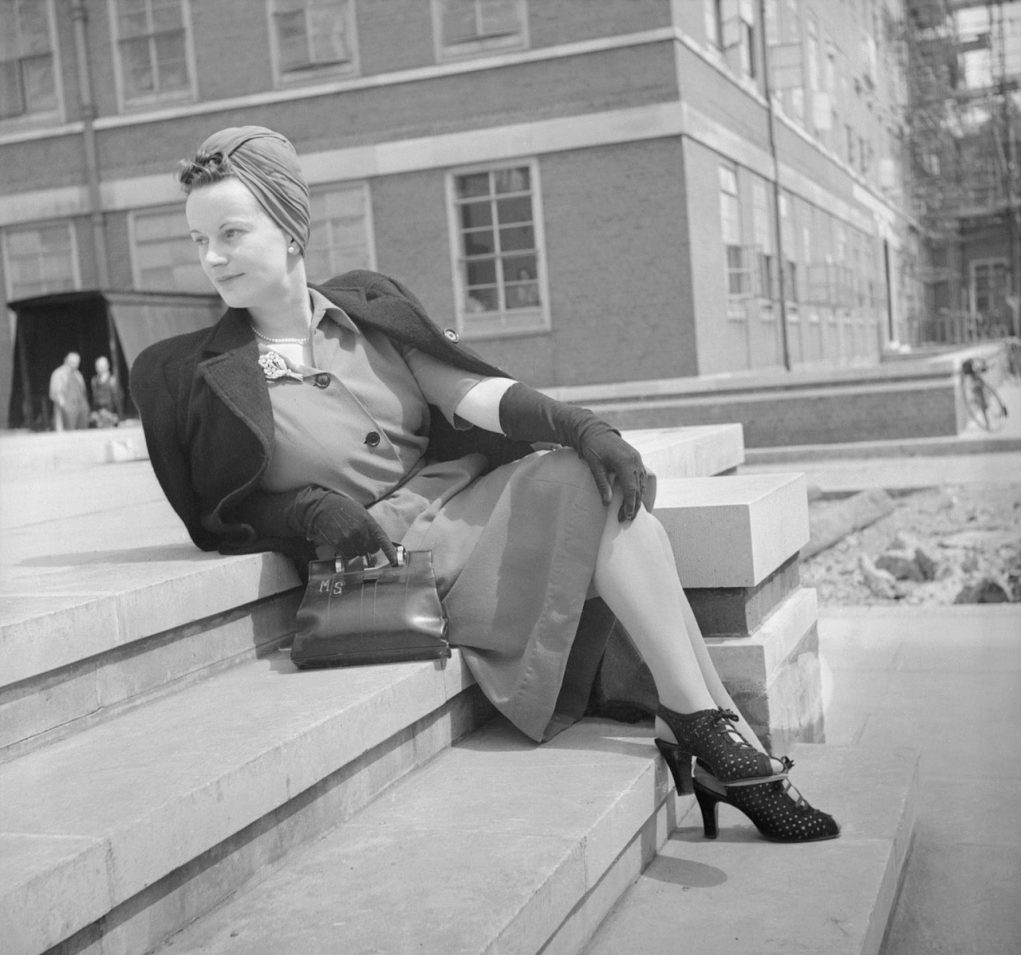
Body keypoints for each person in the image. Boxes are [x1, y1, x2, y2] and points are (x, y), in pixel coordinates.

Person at [132, 126, 838, 843]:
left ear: (288, 229)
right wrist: (305, 509)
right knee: (592, 496)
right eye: (198, 241)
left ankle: (699, 725)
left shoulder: (366, 311)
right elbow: (214, 511)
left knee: (595, 479)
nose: (212, 257)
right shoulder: (182, 371)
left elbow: (473, 393)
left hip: (459, 504)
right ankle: (716, 736)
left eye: (230, 232)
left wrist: (579, 425)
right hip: (392, 561)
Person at [49, 351, 90, 431]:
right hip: (67, 410)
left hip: (80, 410)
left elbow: (83, 392)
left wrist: (85, 407)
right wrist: (65, 408)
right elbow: (55, 393)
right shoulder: (58, 374)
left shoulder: (78, 375)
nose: (74, 365)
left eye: (76, 363)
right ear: (66, 361)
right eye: (71, 362)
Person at [90, 355, 123, 428]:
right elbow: (94, 399)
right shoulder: (94, 380)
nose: (101, 368)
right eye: (99, 366)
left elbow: (118, 400)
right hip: (98, 415)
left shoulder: (113, 380)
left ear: (107, 366)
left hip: (111, 414)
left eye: (103, 365)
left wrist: (114, 415)